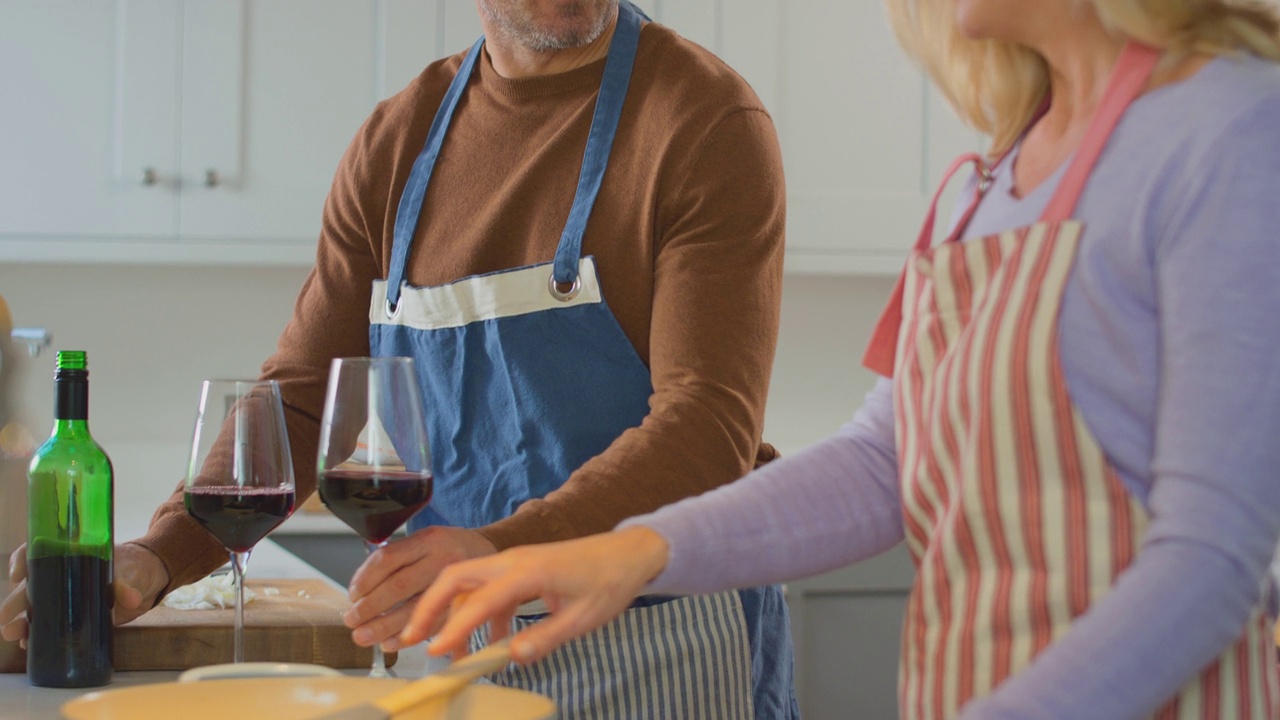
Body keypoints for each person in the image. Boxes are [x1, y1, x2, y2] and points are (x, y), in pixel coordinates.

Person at [399, 0, 1280, 717]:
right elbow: (880, 462)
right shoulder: (984, 183)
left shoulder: (1232, 131)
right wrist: (629, 553)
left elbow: (1212, 556)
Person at [1, 0, 800, 716]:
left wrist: (499, 550)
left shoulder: (705, 121)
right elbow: (304, 399)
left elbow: (707, 428)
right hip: (451, 645)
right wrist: (156, 555)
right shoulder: (399, 139)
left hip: (654, 641)